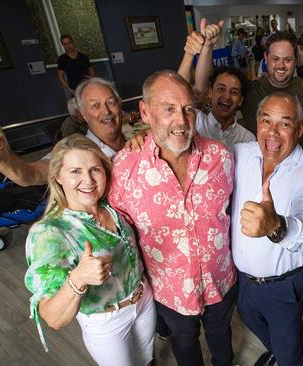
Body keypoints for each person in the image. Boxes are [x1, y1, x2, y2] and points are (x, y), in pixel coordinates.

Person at [108, 70, 236, 366]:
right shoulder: (125, 170)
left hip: (221, 281)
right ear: (145, 111)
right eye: (168, 109)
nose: (181, 120)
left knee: (220, 334)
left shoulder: (220, 156)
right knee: (184, 341)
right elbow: (119, 234)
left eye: (188, 108)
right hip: (170, 292)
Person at [24, 134, 155, 365]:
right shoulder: (49, 232)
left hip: (144, 301)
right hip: (106, 322)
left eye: (95, 169)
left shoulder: (113, 205)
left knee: (147, 360)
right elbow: (53, 318)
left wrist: (142, 138)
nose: (88, 180)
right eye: (75, 171)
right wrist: (78, 278)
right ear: (58, 177)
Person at [231, 92, 303, 366]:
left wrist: (276, 225)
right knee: (261, 331)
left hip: (283, 288)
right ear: (257, 123)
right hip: (243, 282)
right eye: (266, 121)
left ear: (299, 128)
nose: (272, 132)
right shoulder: (241, 153)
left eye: (284, 124)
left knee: (289, 355)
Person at [196, 26, 303, 154]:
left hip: (299, 173)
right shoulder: (250, 90)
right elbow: (204, 89)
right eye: (275, 59)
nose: (281, 65)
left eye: (287, 60)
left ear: (296, 60)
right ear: (266, 58)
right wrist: (207, 48)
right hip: (257, 174)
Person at [0, 77, 127, 187]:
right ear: (83, 115)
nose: (106, 111)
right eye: (95, 106)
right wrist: (3, 160)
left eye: (111, 103)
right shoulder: (76, 150)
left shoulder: (135, 140)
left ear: (120, 107)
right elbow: (31, 174)